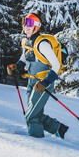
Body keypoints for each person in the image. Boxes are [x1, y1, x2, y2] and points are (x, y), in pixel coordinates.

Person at [7, 11, 69, 139]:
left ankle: (37, 144)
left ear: (37, 26)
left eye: (29, 24)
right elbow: (24, 58)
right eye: (25, 23)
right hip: (31, 82)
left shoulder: (42, 44)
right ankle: (57, 128)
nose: (26, 26)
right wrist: (16, 66)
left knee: (30, 116)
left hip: (43, 83)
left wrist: (45, 83)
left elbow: (56, 66)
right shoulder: (26, 42)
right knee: (34, 112)